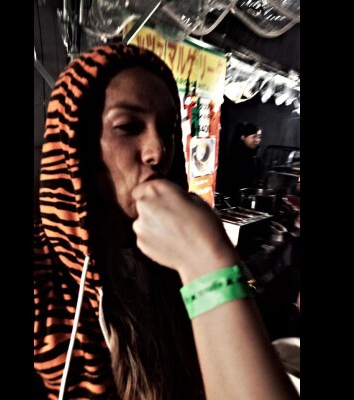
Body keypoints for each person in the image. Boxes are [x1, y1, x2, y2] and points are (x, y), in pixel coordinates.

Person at [34, 43, 298, 399]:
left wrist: (208, 260)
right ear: (77, 145)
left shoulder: (170, 256)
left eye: (169, 128)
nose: (158, 151)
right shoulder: (43, 279)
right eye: (128, 126)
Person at [220, 122, 264, 205]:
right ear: (243, 137)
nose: (257, 140)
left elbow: (259, 177)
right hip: (236, 199)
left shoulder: (256, 157)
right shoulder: (234, 157)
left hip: (250, 199)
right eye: (254, 136)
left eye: (259, 137)